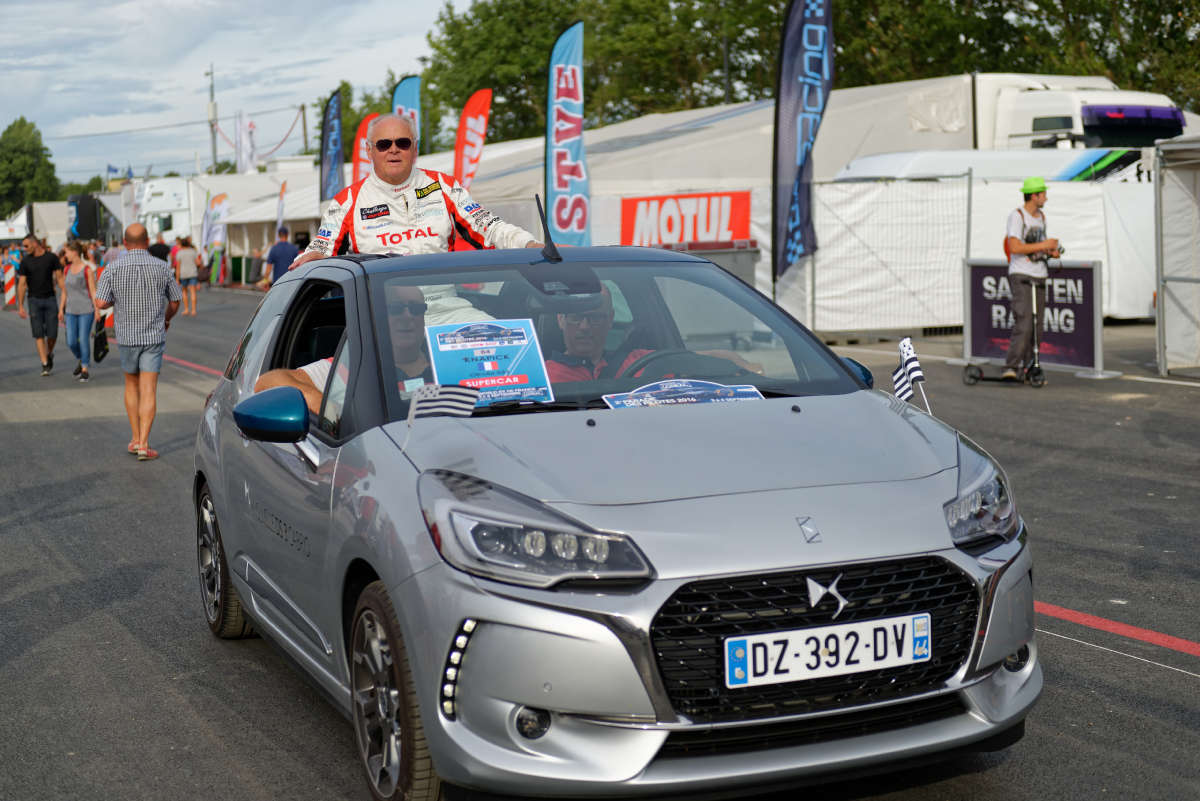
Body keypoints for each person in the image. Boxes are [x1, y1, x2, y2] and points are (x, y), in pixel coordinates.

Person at [288, 114, 541, 326]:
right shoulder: (348, 201)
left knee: (505, 342)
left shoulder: (443, 186)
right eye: (384, 144)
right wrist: (313, 256)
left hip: (447, 309)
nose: (394, 149)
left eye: (403, 143)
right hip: (383, 318)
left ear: (415, 148)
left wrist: (530, 245)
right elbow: (321, 247)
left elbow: (490, 227)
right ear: (369, 151)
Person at [255, 284, 432, 413]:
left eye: (416, 309)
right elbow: (268, 381)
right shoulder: (348, 367)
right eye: (396, 309)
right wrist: (327, 411)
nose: (408, 316)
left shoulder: (442, 361)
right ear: (376, 317)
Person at [94, 223, 182, 461]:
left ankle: (134, 438)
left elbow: (100, 302)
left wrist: (115, 300)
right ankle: (144, 444)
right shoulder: (162, 267)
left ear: (125, 242)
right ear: (147, 241)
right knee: (149, 389)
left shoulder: (112, 268)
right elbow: (175, 300)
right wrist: (166, 319)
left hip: (126, 337)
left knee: (131, 386)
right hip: (153, 336)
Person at [1003, 176, 1061, 380]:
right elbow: (1014, 247)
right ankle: (1011, 366)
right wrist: (1045, 245)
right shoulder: (1018, 216)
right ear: (1034, 196)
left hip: (1040, 273)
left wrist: (1050, 252)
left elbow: (1036, 247)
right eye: (1043, 194)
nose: (1046, 198)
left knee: (1037, 326)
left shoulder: (1041, 217)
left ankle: (1030, 366)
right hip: (1021, 274)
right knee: (1024, 321)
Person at [16, 234, 65, 375]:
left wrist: (65, 295)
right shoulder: (25, 261)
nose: (25, 249)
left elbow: (60, 278)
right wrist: (20, 306)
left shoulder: (51, 258)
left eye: (26, 246)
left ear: (35, 243)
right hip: (33, 301)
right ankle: (44, 364)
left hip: (50, 299)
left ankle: (49, 353)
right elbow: (21, 284)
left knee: (52, 333)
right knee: (38, 334)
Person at [58, 241, 99, 382]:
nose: (65, 255)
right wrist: (61, 309)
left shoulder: (87, 270)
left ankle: (85, 369)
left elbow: (93, 291)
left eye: (67, 252)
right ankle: (82, 359)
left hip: (86, 310)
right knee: (71, 341)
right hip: (70, 310)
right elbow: (64, 291)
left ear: (74, 252)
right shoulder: (66, 269)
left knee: (83, 339)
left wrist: (97, 310)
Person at [174, 236, 202, 316]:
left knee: (184, 292)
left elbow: (178, 267)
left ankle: (186, 309)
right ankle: (193, 310)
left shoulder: (179, 253)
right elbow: (198, 263)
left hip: (183, 274)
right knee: (193, 291)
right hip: (192, 273)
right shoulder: (193, 251)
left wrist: (177, 278)